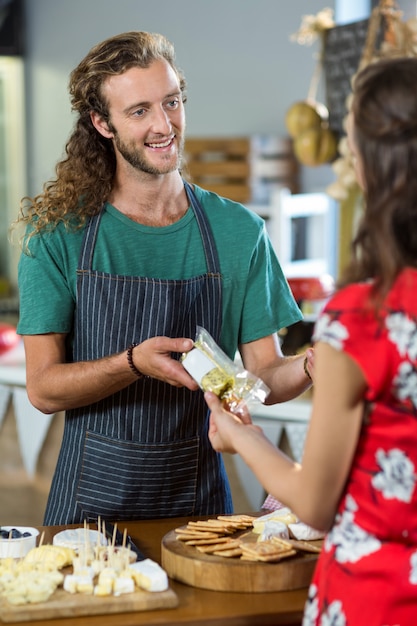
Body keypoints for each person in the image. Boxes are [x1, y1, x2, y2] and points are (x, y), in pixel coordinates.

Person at [15, 31, 313, 526]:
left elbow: (262, 376)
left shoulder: (238, 232)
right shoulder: (59, 236)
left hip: (197, 505)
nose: (163, 124)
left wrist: (310, 368)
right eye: (139, 111)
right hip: (86, 513)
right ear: (101, 123)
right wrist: (132, 362)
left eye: (171, 102)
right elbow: (44, 389)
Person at [205, 56, 417, 625]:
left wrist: (238, 435)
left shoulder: (364, 315)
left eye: (350, 147)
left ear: (376, 163)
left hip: (379, 594)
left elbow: (315, 501)